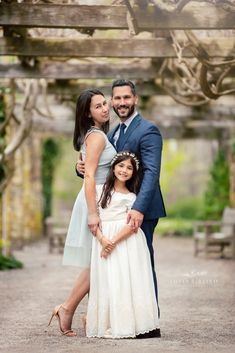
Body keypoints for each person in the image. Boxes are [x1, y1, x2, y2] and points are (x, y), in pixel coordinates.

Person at [77, 79, 166, 338]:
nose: (121, 103)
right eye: (116, 98)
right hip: (114, 210)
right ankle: (124, 321)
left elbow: (151, 172)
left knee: (141, 265)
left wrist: (138, 208)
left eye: (126, 98)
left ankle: (149, 324)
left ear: (135, 99)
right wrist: (79, 168)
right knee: (119, 267)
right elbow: (104, 169)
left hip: (141, 210)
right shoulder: (113, 132)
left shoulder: (148, 130)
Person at [48, 88, 116, 336]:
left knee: (99, 260)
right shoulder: (96, 136)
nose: (105, 108)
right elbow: (89, 175)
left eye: (104, 103)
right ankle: (68, 308)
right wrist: (93, 212)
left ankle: (81, 313)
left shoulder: (93, 135)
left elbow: (89, 168)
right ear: (88, 114)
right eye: (98, 106)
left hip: (98, 196)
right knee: (97, 261)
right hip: (94, 199)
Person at [86, 151, 160, 338]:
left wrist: (112, 243)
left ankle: (127, 323)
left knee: (124, 279)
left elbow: (132, 226)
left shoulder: (132, 197)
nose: (124, 170)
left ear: (134, 173)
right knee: (107, 280)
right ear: (113, 167)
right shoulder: (99, 190)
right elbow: (94, 218)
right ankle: (108, 322)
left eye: (129, 168)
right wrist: (103, 240)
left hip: (125, 242)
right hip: (103, 240)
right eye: (121, 166)